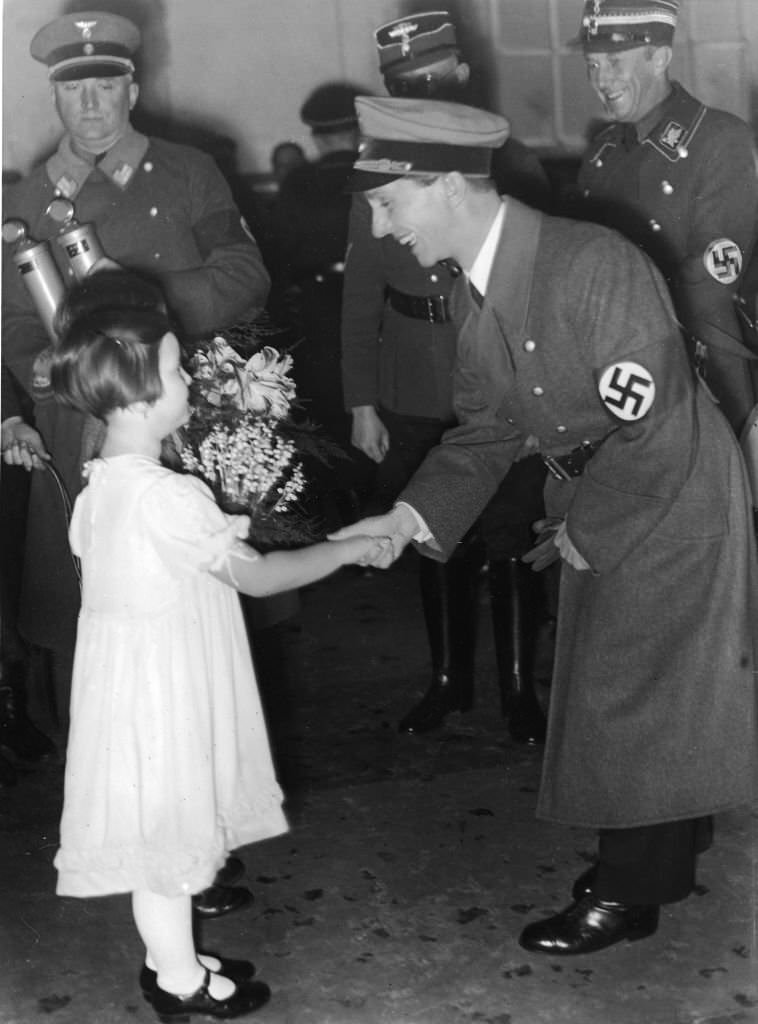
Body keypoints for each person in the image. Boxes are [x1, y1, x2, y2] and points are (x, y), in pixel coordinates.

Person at [333, 95, 758, 955]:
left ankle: (629, 893)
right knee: (649, 695)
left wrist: (585, 529)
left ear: (449, 185)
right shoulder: (481, 288)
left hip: (669, 494)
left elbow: (657, 428)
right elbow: (487, 428)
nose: (380, 228)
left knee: (630, 694)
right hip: (617, 487)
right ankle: (666, 842)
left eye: (389, 202)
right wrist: (408, 516)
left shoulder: (590, 265)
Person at [48, 294, 388, 1019]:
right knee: (169, 850)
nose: (190, 386)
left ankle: (170, 956)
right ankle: (180, 983)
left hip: (128, 693)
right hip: (168, 697)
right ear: (138, 396)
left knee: (158, 840)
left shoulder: (99, 486)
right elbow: (259, 576)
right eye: (175, 372)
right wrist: (348, 548)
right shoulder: (170, 499)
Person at [2, 11, 270, 758]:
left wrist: (146, 309)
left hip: (181, 420)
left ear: (133, 88)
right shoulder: (25, 201)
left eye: (105, 86)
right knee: (80, 611)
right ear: (55, 98)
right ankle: (97, 790)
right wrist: (48, 381)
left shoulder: (190, 174)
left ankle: (195, 803)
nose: (90, 106)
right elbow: (11, 324)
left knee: (192, 609)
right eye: (73, 89)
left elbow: (248, 276)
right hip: (73, 427)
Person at [341, 10, 553, 741]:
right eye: (405, 85)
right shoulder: (378, 174)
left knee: (510, 528)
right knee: (434, 528)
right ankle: (446, 681)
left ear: (461, 74)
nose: (421, 93)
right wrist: (362, 400)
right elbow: (360, 295)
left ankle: (521, 689)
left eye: (431, 79)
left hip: (495, 369)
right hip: (412, 375)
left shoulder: (511, 163)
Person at [566, 0, 758, 434]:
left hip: (698, 374)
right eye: (592, 65)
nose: (601, 80)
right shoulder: (601, 153)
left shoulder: (719, 140)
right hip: (612, 370)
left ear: (660, 57)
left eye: (614, 62)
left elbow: (710, 287)